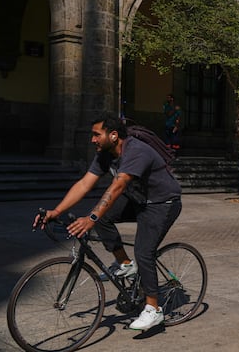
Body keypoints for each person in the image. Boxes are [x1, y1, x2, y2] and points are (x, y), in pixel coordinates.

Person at [34, 112, 182, 330]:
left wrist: (91, 218)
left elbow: (118, 186)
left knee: (143, 252)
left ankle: (153, 309)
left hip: (162, 203)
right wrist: (55, 211)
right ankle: (124, 263)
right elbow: (85, 184)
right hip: (138, 198)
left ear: (113, 135)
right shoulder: (105, 154)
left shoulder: (136, 151)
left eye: (96, 134)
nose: (93, 139)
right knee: (103, 218)